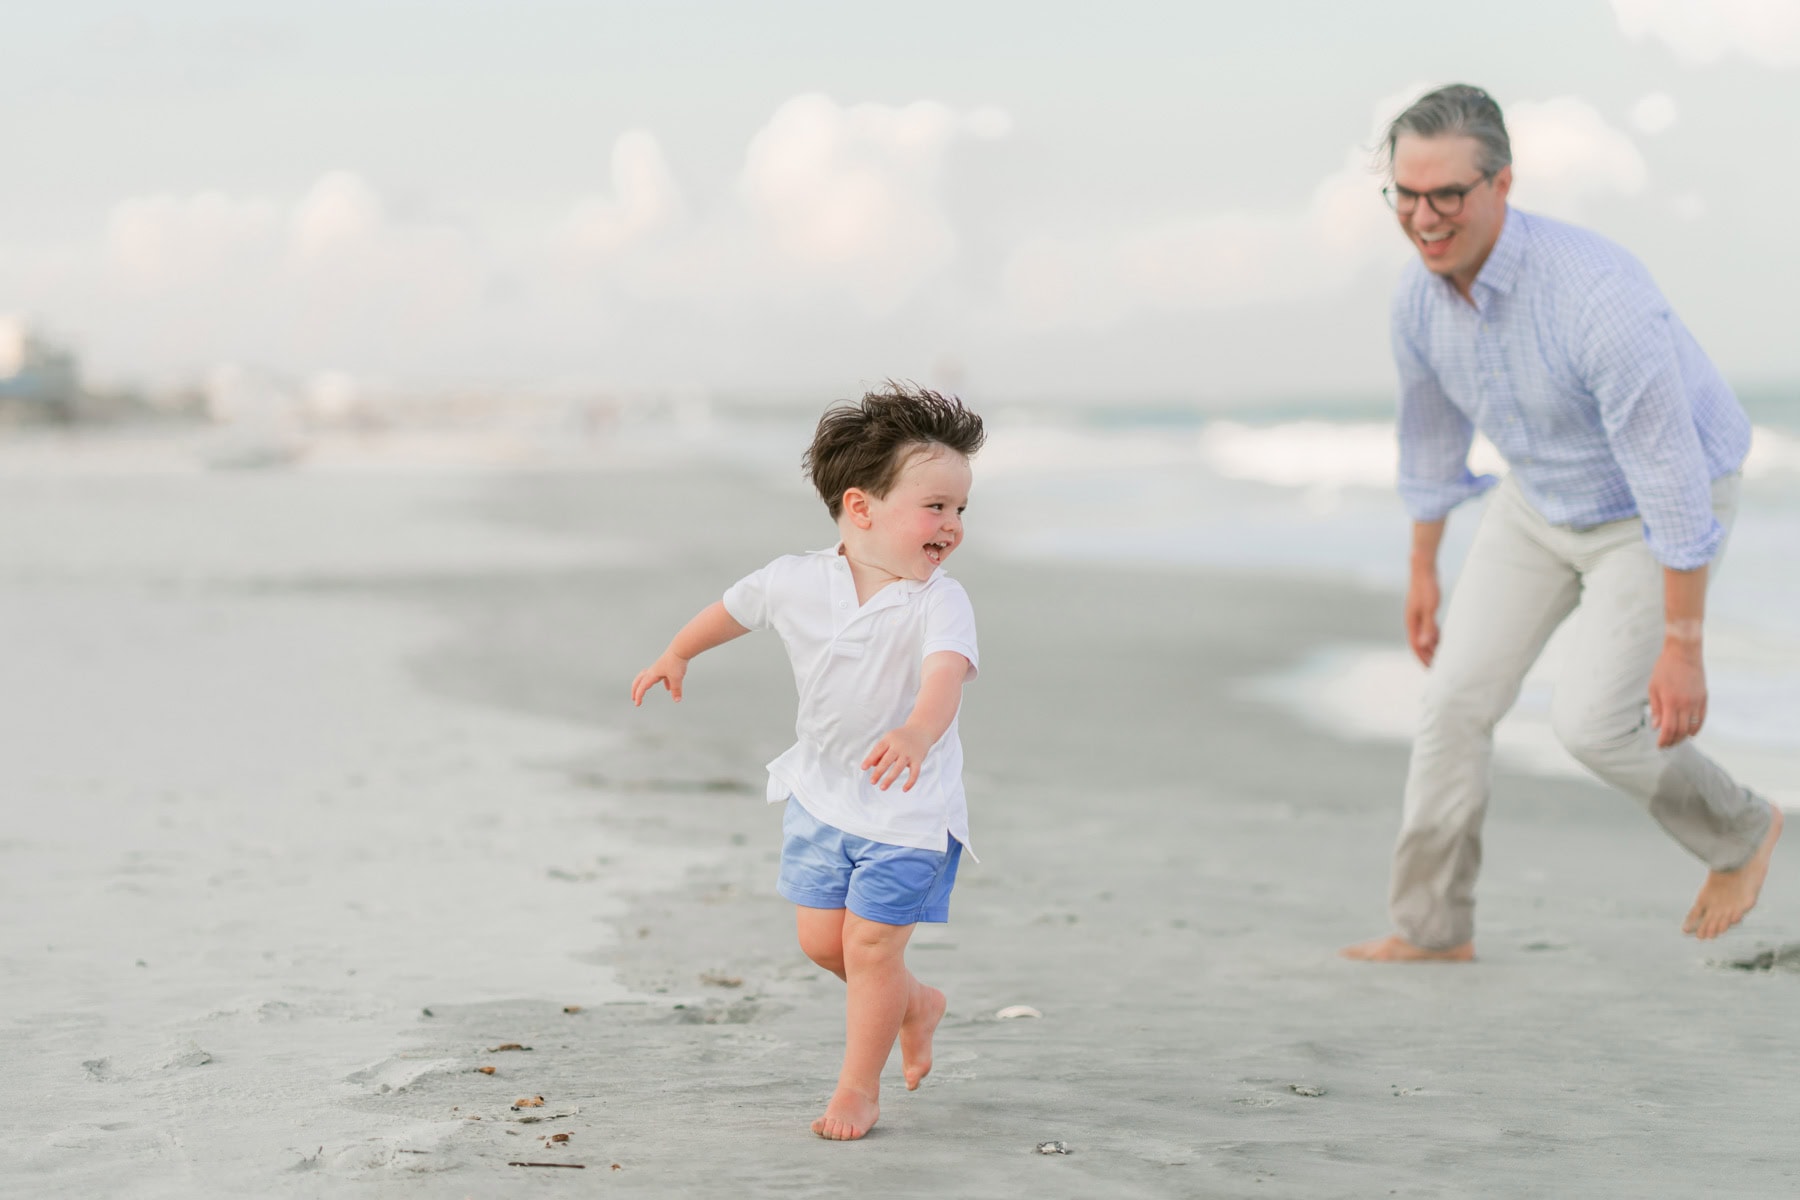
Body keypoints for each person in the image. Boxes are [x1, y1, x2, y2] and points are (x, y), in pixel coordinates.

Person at [1342, 85, 1782, 964]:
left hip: (1656, 507)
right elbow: (1431, 441)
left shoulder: (1596, 297)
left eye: (1448, 196)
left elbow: (1671, 477)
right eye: (1405, 194)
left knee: (1595, 724)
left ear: (1504, 184)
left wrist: (1683, 644)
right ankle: (1432, 931)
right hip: (1538, 498)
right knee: (1454, 703)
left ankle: (1743, 830)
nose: (1423, 219)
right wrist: (1425, 570)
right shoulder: (1417, 302)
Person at [631, 382, 984, 1138]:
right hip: (822, 794)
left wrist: (919, 733)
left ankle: (858, 1090)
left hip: (908, 807)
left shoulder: (938, 601)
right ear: (861, 508)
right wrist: (677, 651)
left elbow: (945, 676)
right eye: (935, 507)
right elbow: (734, 608)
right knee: (823, 943)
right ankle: (916, 1003)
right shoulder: (797, 578)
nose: (952, 526)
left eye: (960, 510)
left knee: (870, 945)